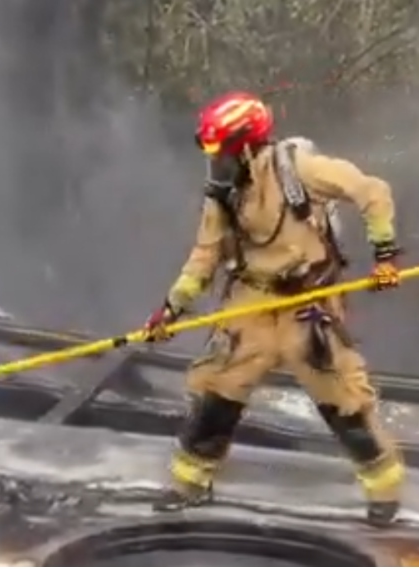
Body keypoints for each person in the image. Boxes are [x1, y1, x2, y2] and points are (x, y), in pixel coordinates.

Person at [142, 91, 405, 526]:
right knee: (217, 392)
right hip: (252, 301)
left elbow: (372, 191)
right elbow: (204, 258)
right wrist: (171, 309)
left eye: (222, 151)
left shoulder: (297, 169)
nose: (216, 162)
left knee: (344, 400)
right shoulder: (222, 193)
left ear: (247, 145)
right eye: (211, 153)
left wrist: (386, 254)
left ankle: (384, 492)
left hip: (308, 301)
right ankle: (190, 483)